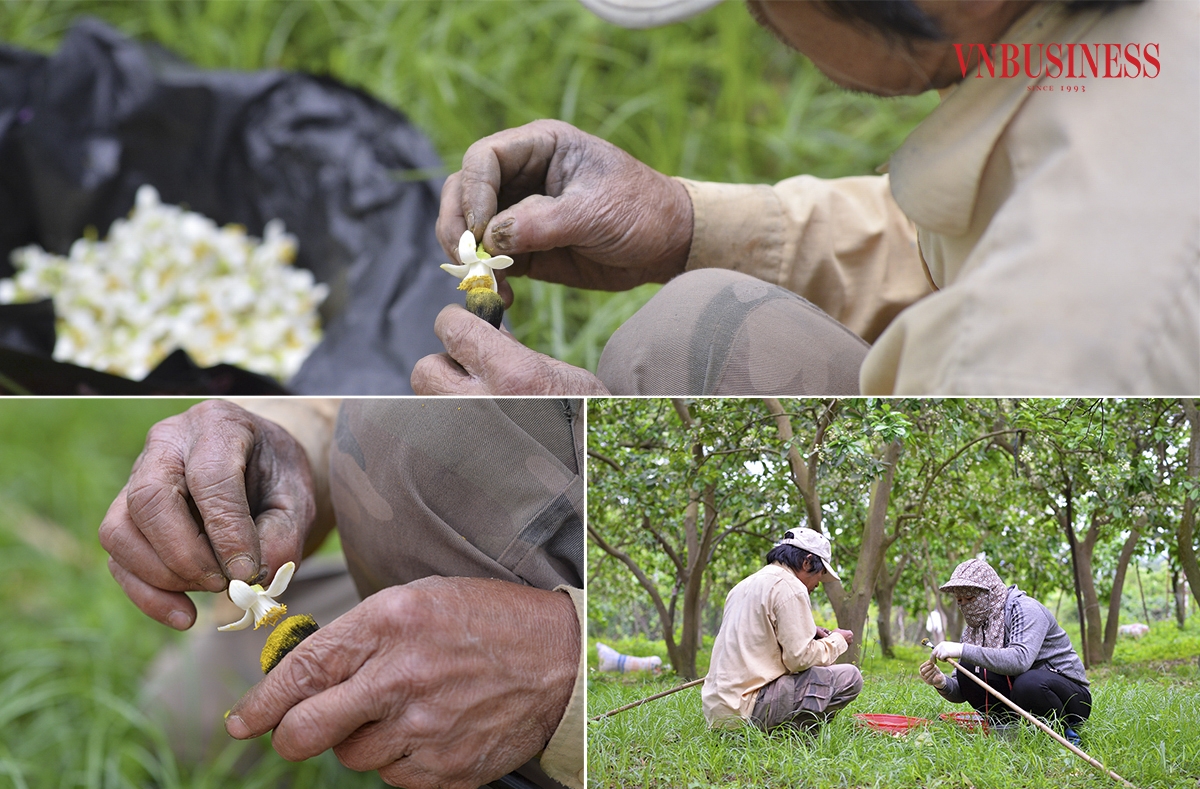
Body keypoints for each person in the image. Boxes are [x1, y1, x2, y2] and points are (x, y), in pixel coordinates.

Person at [412, 0, 1198, 397]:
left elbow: (1017, 306)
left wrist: (581, 426)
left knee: (684, 343)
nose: (763, 23)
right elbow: (983, 245)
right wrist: (689, 224)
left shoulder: (1073, 341)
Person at [99, 398, 584, 789]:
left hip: (600, 628)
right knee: (183, 712)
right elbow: (365, 407)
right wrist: (283, 441)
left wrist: (567, 662)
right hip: (415, 582)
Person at [702, 529, 862, 731]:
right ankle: (792, 738)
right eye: (820, 575)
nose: (817, 585)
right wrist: (837, 640)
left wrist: (809, 631)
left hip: (719, 711)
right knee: (850, 677)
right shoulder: (791, 586)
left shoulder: (743, 585)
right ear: (807, 562)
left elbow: (758, 639)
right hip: (746, 710)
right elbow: (799, 659)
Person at [919, 558, 1090, 744]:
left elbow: (1019, 660)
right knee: (969, 666)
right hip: (1020, 693)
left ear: (990, 592)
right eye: (960, 600)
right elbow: (964, 688)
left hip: (1070, 697)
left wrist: (962, 649)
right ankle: (1007, 730)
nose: (966, 606)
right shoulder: (975, 628)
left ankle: (1065, 733)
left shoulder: (1025, 609)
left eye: (971, 598)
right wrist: (941, 682)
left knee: (1028, 682)